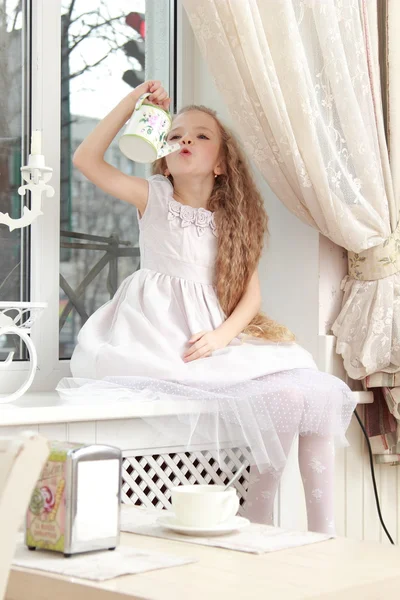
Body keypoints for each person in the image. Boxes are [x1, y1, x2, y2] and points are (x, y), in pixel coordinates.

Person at [57, 80, 356, 534]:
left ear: (220, 164)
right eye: (176, 135)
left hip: (215, 337)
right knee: (289, 397)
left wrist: (222, 336)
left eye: (200, 135)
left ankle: (323, 533)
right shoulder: (152, 196)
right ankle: (261, 517)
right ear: (163, 152)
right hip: (158, 336)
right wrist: (132, 105)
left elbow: (251, 295)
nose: (185, 141)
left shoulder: (232, 221)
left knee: (311, 391)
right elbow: (85, 159)